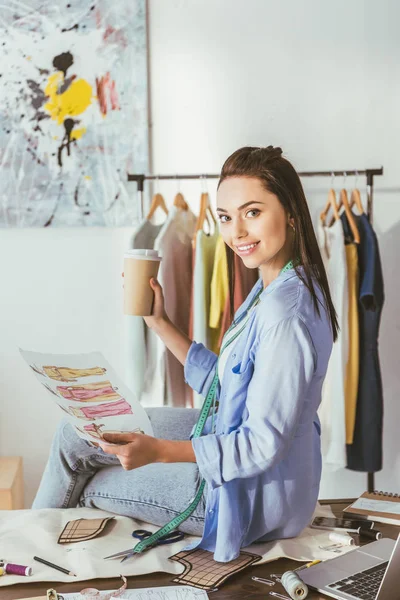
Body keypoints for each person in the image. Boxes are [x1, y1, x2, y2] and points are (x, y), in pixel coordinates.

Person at [32, 146, 336, 562]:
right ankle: (26, 550)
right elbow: (228, 386)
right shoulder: (273, 285)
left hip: (254, 499)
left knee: (91, 481)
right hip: (233, 442)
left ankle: (30, 563)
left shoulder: (286, 311)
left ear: (291, 214)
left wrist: (158, 451)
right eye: (226, 218)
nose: (236, 233)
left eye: (252, 212)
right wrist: (160, 323)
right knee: (75, 434)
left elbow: (262, 443)